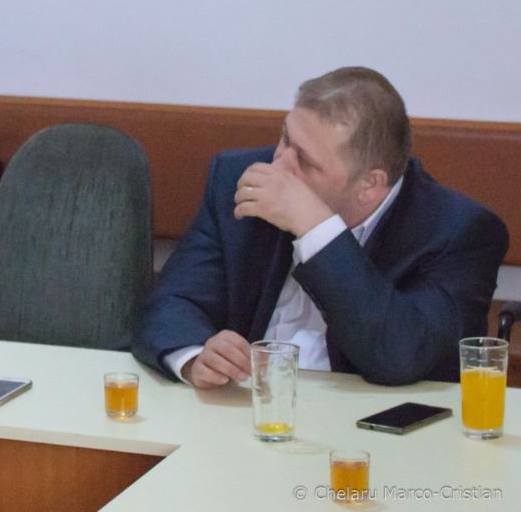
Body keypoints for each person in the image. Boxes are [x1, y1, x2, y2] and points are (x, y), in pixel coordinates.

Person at [134, 67, 508, 387]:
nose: (278, 166)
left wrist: (317, 230)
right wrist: (196, 357)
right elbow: (173, 302)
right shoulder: (239, 179)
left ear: (370, 184)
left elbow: (401, 357)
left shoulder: (459, 232)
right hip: (247, 413)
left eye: (306, 162)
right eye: (284, 138)